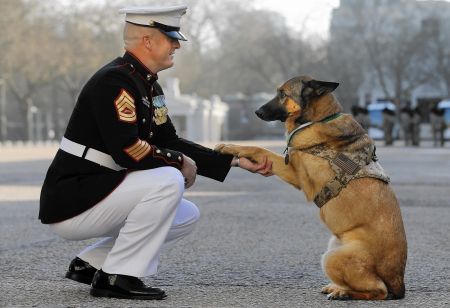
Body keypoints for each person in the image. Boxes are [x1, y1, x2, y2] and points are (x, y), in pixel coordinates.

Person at [39, 5, 272, 300]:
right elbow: (128, 150)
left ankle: (92, 265)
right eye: (170, 37)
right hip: (73, 199)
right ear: (147, 41)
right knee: (167, 180)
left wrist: (235, 160)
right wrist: (179, 163)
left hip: (99, 191)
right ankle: (117, 277)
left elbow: (168, 139)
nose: (177, 44)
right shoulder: (115, 82)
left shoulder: (147, 84)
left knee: (185, 214)